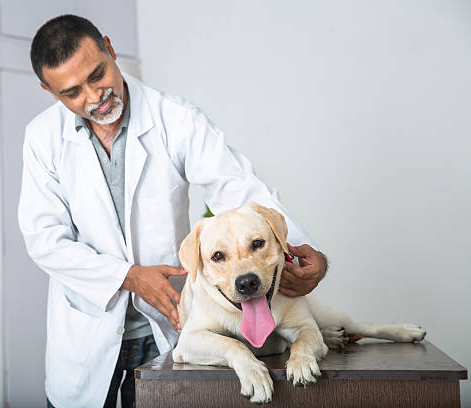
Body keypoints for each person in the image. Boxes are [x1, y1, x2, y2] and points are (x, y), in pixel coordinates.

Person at [18, 14, 328, 408]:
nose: (94, 96)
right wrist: (128, 277)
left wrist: (301, 250)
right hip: (85, 333)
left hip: (168, 326)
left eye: (98, 75)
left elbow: (239, 189)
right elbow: (45, 239)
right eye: (72, 92)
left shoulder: (175, 118)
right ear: (49, 91)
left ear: (111, 50)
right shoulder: (42, 139)